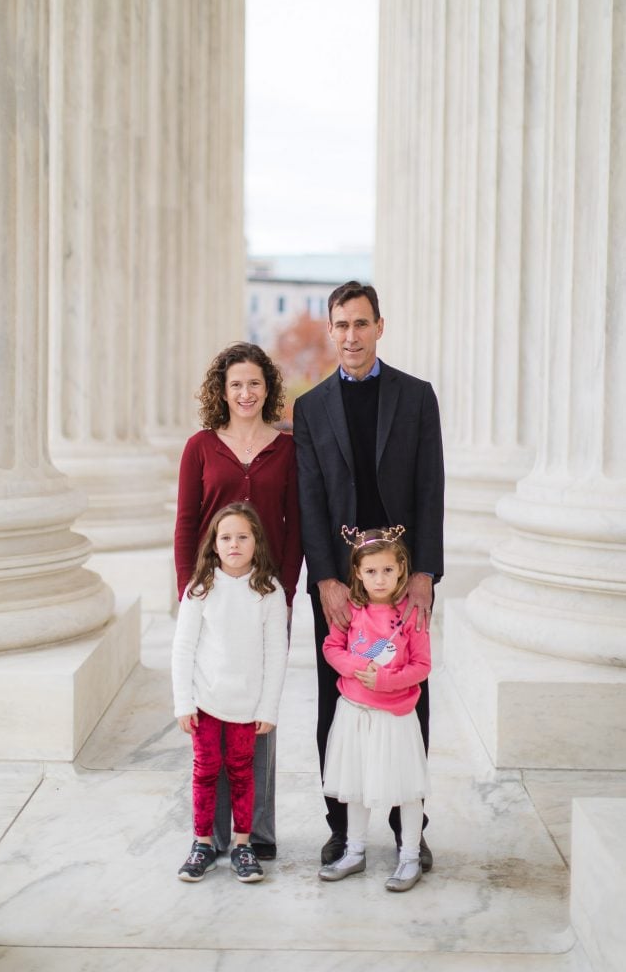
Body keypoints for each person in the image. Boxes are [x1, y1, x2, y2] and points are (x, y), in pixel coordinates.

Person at [292, 281, 444, 869]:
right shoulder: (309, 408)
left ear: (380, 326)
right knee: (338, 697)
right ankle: (341, 824)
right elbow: (309, 499)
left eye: (361, 323)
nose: (350, 336)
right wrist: (325, 578)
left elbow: (431, 487)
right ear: (330, 331)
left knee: (408, 694)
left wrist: (426, 570)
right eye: (341, 325)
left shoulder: (417, 397)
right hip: (340, 582)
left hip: (402, 575)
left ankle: (412, 825)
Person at [174, 342, 303, 859]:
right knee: (212, 708)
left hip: (265, 596)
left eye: (254, 383)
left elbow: (296, 528)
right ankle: (216, 836)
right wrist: (189, 589)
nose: (245, 393)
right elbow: (186, 522)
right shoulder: (200, 447)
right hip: (209, 594)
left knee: (258, 710)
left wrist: (285, 591)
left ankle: (258, 834)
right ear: (221, 392)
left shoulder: (288, 449)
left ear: (267, 387)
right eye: (235, 385)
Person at [172, 502, 289, 884]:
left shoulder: (269, 591)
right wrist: (183, 702)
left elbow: (276, 654)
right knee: (205, 772)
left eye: (243, 536)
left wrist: (268, 706)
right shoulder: (200, 588)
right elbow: (183, 648)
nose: (234, 544)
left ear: (257, 542)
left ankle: (243, 845)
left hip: (248, 704)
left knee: (242, 773)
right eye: (226, 537)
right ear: (214, 544)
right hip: (206, 702)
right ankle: (202, 843)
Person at [318, 526, 431, 892]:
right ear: (358, 573)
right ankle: (354, 850)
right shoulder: (351, 610)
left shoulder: (410, 614)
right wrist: (354, 667)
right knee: (357, 784)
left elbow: (422, 665)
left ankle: (410, 855)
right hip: (355, 712)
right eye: (370, 571)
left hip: (395, 714)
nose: (379, 578)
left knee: (408, 788)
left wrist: (385, 682)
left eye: (387, 570)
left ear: (401, 569)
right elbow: (332, 647)